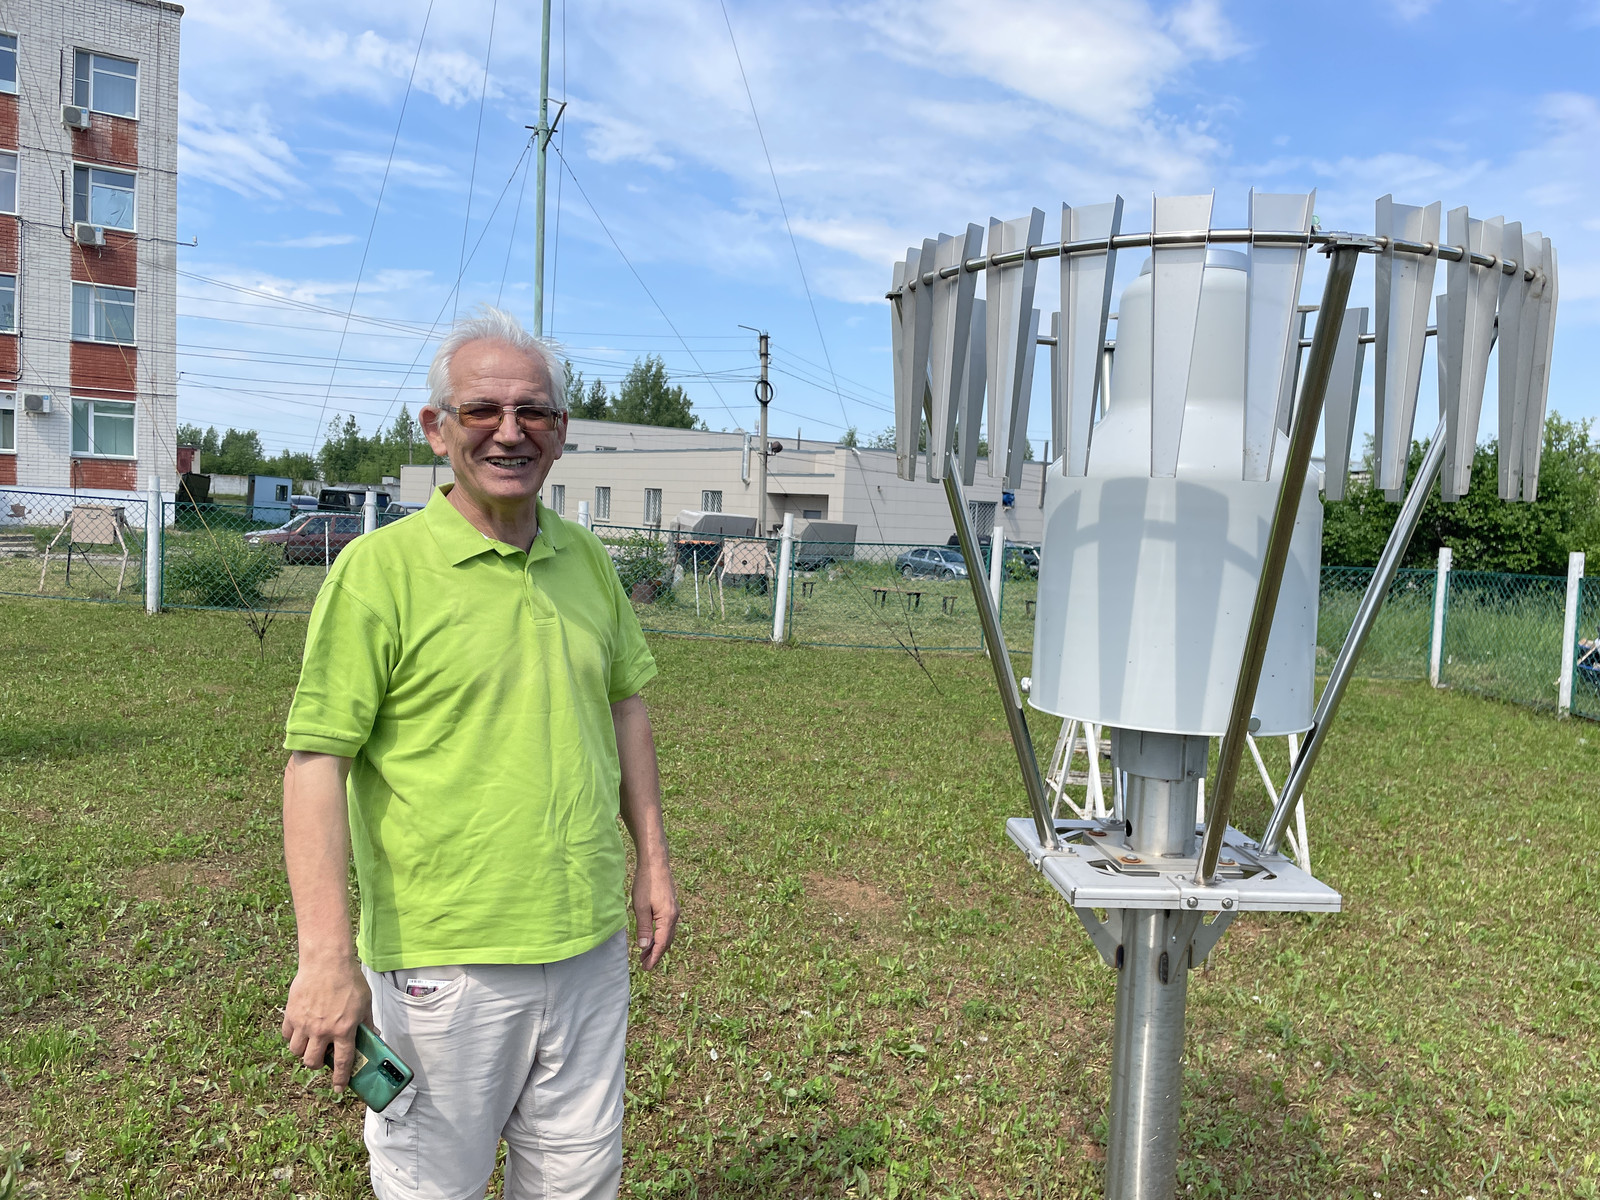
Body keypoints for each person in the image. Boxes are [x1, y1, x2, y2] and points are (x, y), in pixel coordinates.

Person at [279, 305, 678, 1199]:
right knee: (434, 1187)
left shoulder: (588, 562)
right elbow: (316, 766)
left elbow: (625, 709)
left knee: (578, 1181)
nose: (510, 431)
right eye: (482, 410)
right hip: (441, 965)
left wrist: (653, 861)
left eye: (533, 411)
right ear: (436, 429)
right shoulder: (378, 573)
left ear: (562, 432)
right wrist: (325, 957)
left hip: (585, 947)